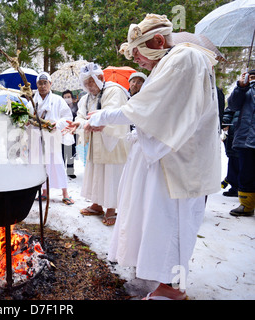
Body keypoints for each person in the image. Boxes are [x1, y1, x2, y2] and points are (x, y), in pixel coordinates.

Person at [83, 14, 221, 299]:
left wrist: (104, 116)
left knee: (174, 225)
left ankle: (172, 290)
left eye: (139, 54)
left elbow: (149, 109)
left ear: (158, 41)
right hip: (173, 159)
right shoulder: (173, 60)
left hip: (181, 164)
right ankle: (166, 283)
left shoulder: (184, 59)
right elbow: (162, 114)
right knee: (163, 224)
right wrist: (133, 135)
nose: (139, 63)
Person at [63, 62, 129, 226]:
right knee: (97, 174)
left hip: (112, 141)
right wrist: (77, 124)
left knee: (111, 174)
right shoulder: (85, 98)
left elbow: (112, 114)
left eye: (91, 82)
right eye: (85, 84)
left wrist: (93, 121)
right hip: (95, 141)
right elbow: (80, 116)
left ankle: (112, 209)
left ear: (101, 78)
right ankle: (97, 204)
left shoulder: (114, 91)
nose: (89, 87)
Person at [28, 72, 74, 205]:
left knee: (57, 163)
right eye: (40, 83)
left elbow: (67, 117)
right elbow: (27, 117)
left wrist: (58, 124)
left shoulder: (58, 100)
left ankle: (65, 193)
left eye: (45, 83)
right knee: (39, 164)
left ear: (50, 84)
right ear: (37, 85)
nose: (42, 86)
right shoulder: (32, 101)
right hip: (36, 137)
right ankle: (44, 192)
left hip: (52, 136)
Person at [227, 70, 255, 216]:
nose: (253, 79)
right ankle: (246, 205)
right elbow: (232, 106)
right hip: (245, 139)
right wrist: (241, 87)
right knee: (246, 174)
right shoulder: (245, 91)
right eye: (251, 77)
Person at [61, 90, 78, 178]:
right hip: (62, 132)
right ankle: (60, 171)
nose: (67, 99)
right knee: (62, 152)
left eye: (68, 97)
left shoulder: (76, 107)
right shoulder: (60, 107)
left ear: (72, 98)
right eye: (65, 97)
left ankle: (70, 171)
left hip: (72, 132)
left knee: (71, 153)